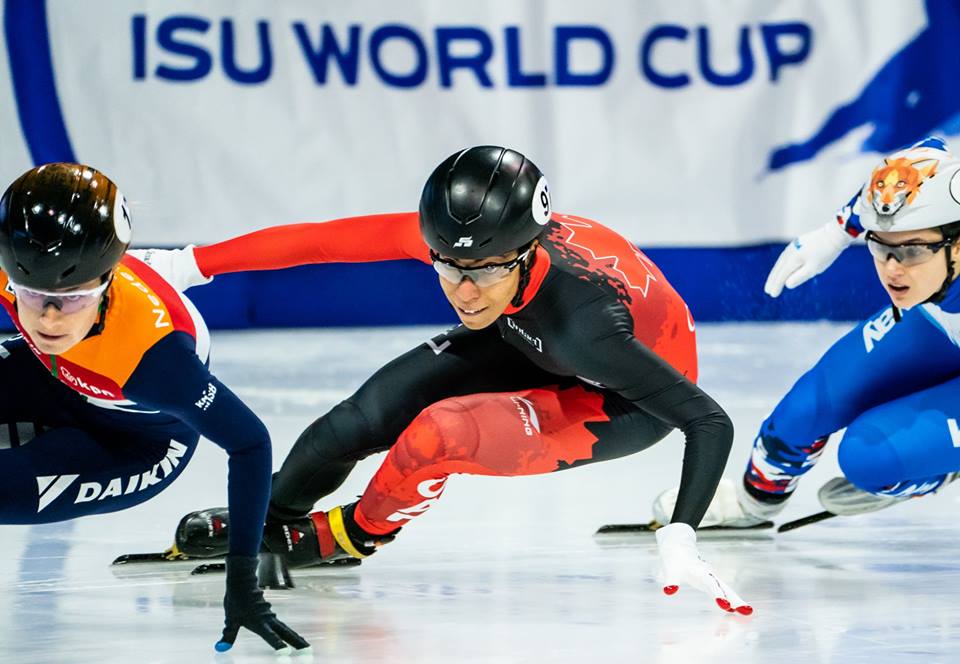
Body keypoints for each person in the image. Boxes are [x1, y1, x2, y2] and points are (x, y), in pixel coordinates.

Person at [171, 146, 751, 614]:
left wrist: (681, 533)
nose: (463, 291)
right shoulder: (467, 243)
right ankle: (273, 511)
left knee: (439, 433)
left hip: (623, 394)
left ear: (526, 251)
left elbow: (707, 419)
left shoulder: (586, 326)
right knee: (356, 422)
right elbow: (320, 240)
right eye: (447, 267)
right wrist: (187, 264)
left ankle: (349, 534)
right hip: (527, 330)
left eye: (485, 271)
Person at [0, 163, 308, 654]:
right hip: (57, 379)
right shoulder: (15, 263)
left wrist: (242, 584)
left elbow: (251, 442)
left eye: (74, 299)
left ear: (106, 281)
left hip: (135, 446)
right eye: (32, 295)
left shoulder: (156, 359)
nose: (49, 319)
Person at [653, 137, 960, 528]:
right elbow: (919, 160)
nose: (892, 269)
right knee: (804, 412)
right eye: (880, 247)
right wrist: (835, 233)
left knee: (871, 458)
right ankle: (755, 503)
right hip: (939, 319)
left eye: (913, 251)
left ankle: (944, 466)